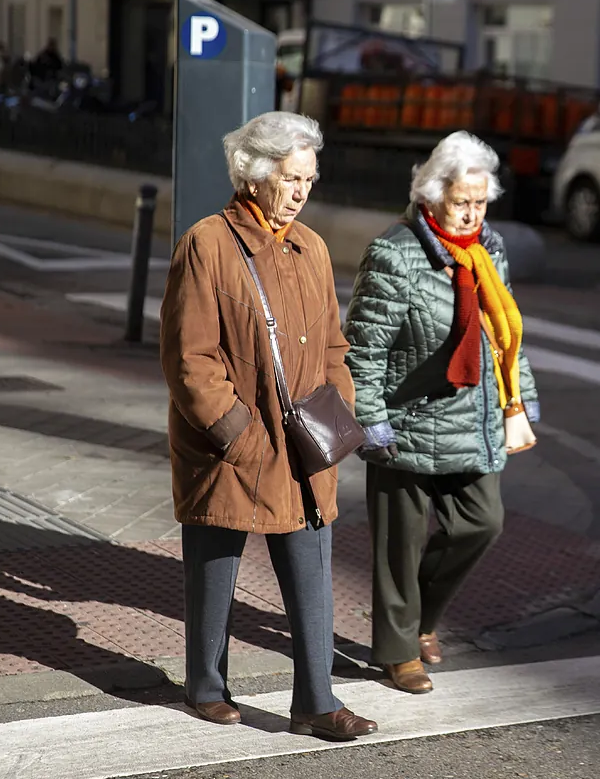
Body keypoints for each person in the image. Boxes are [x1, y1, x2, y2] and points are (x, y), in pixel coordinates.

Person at [158, 111, 377, 740]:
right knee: (215, 568)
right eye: (291, 177)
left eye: (310, 177)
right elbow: (188, 357)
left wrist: (340, 405)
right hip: (231, 445)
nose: (303, 190)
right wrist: (237, 432)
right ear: (255, 176)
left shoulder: (311, 247)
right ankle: (206, 685)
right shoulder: (207, 243)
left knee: (311, 573)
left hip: (305, 440)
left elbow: (334, 344)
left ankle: (316, 701)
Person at [344, 131, 540, 694]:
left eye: (480, 202)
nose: (471, 213)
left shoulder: (489, 250)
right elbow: (364, 347)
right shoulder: (395, 253)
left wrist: (518, 401)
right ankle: (399, 650)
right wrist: (371, 418)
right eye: (462, 202)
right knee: (397, 545)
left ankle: (423, 619)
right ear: (432, 194)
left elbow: (507, 338)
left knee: (482, 522)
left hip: (471, 417)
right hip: (404, 421)